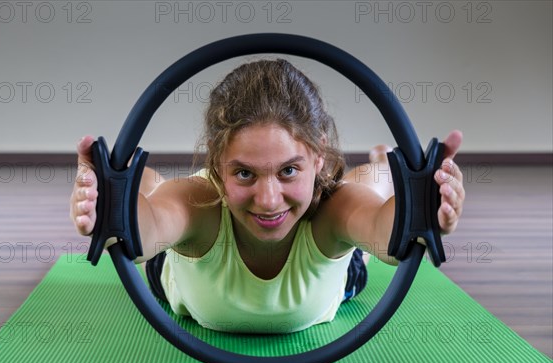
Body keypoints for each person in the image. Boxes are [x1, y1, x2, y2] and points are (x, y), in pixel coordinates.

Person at [70, 59, 465, 334]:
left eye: (288, 170)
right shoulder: (200, 203)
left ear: (318, 154)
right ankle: (142, 179)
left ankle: (380, 164)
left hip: (337, 277)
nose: (268, 200)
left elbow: (389, 237)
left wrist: (424, 209)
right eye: (244, 172)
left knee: (366, 188)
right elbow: (146, 230)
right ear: (217, 159)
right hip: (177, 285)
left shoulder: (332, 212)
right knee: (155, 192)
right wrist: (111, 205)